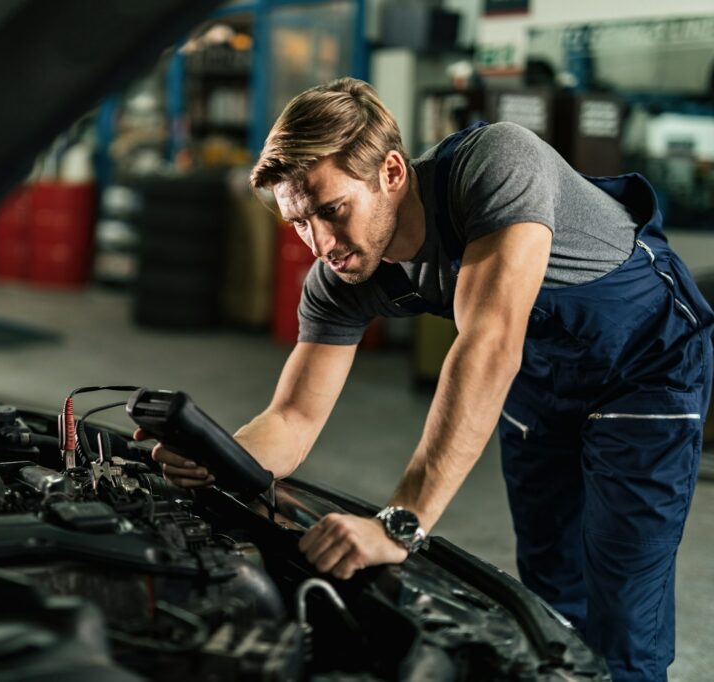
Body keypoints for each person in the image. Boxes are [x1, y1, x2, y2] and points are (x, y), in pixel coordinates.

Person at [139, 77, 713, 680]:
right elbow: (292, 419)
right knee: (550, 589)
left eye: (333, 211)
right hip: (543, 378)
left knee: (624, 607)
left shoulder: (496, 165)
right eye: (300, 223)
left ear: (390, 172)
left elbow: (489, 344)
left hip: (646, 364)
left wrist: (401, 523)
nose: (321, 245)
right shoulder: (340, 277)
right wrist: (213, 455)